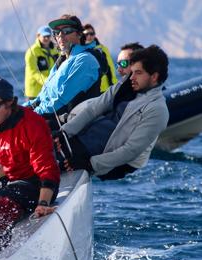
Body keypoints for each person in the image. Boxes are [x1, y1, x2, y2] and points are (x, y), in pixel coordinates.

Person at [0, 74, 60, 253]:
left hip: (35, 185)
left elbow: (46, 170)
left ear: (10, 104)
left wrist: (43, 204)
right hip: (10, 185)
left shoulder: (32, 124)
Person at [56, 45, 169, 180]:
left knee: (42, 161)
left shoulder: (157, 109)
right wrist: (64, 132)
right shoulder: (125, 86)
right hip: (83, 137)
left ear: (154, 77)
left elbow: (130, 150)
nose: (131, 77)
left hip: (100, 155)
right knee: (40, 138)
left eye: (138, 73)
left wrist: (90, 164)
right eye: (131, 72)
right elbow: (94, 108)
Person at [24, 14, 105, 125]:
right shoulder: (62, 61)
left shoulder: (85, 61)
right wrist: (20, 109)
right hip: (50, 116)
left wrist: (31, 115)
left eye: (66, 31)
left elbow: (62, 101)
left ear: (79, 34)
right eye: (57, 32)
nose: (60, 35)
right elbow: (42, 97)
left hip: (69, 126)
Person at [24, 25, 59, 100]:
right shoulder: (32, 52)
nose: (46, 38)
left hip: (50, 90)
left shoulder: (56, 50)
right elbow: (33, 72)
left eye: (48, 36)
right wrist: (48, 82)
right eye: (44, 36)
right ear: (38, 36)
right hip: (35, 93)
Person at [82, 23, 118, 92]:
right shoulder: (80, 50)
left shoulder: (102, 49)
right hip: (88, 90)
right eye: (86, 34)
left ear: (94, 35)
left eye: (91, 34)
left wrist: (113, 85)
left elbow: (111, 67)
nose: (89, 36)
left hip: (104, 88)